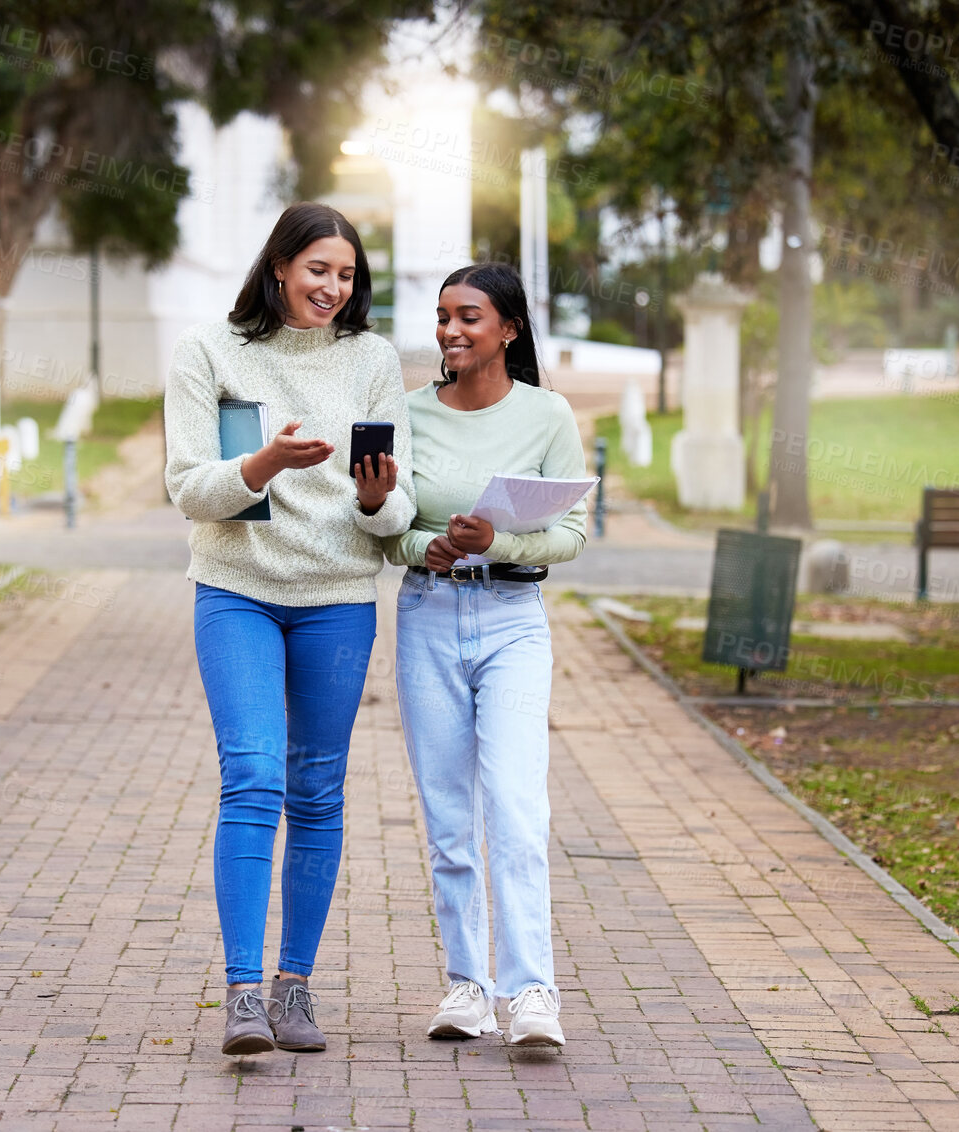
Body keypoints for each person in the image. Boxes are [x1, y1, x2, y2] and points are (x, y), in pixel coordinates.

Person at [164, 202, 414, 1056]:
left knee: (316, 791)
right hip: (237, 589)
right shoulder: (209, 352)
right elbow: (189, 487)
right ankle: (240, 992)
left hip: (338, 598)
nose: (331, 288)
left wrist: (379, 499)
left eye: (345, 275)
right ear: (278, 267)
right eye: (317, 270)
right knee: (254, 775)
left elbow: (395, 507)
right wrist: (265, 462)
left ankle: (294, 987)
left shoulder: (373, 359)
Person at [382, 262, 588, 1047]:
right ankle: (466, 985)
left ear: (508, 329)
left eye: (468, 316)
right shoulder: (407, 415)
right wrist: (422, 545)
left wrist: (495, 539)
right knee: (447, 817)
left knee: (515, 806)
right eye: (442, 316)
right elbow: (382, 522)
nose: (450, 331)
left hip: (512, 619)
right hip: (429, 615)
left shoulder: (546, 415)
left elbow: (568, 534)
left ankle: (531, 991)